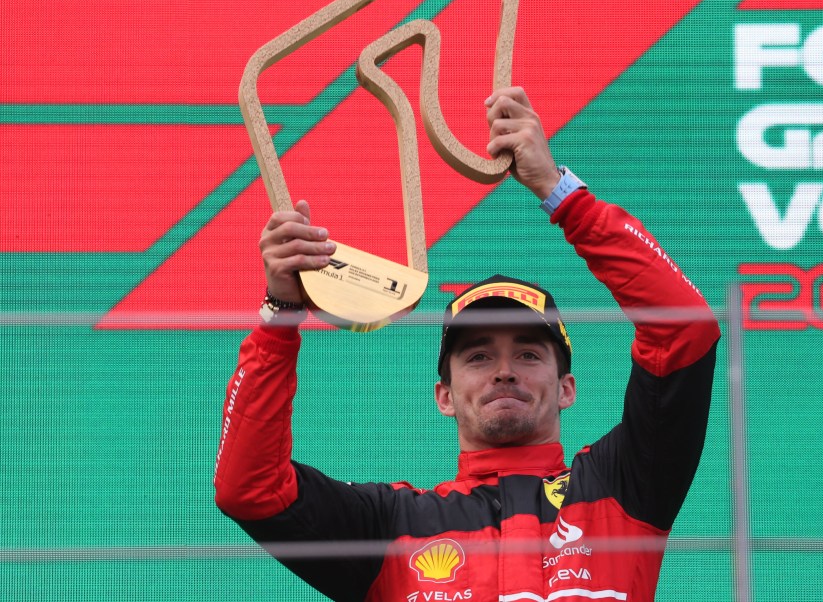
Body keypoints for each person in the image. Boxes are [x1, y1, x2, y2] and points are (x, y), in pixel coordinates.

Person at [214, 87, 720, 602]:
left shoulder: (622, 483)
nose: (504, 371)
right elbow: (249, 490)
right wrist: (280, 317)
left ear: (567, 388)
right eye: (478, 356)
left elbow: (683, 329)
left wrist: (560, 191)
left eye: (528, 353)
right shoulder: (392, 524)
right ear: (445, 396)